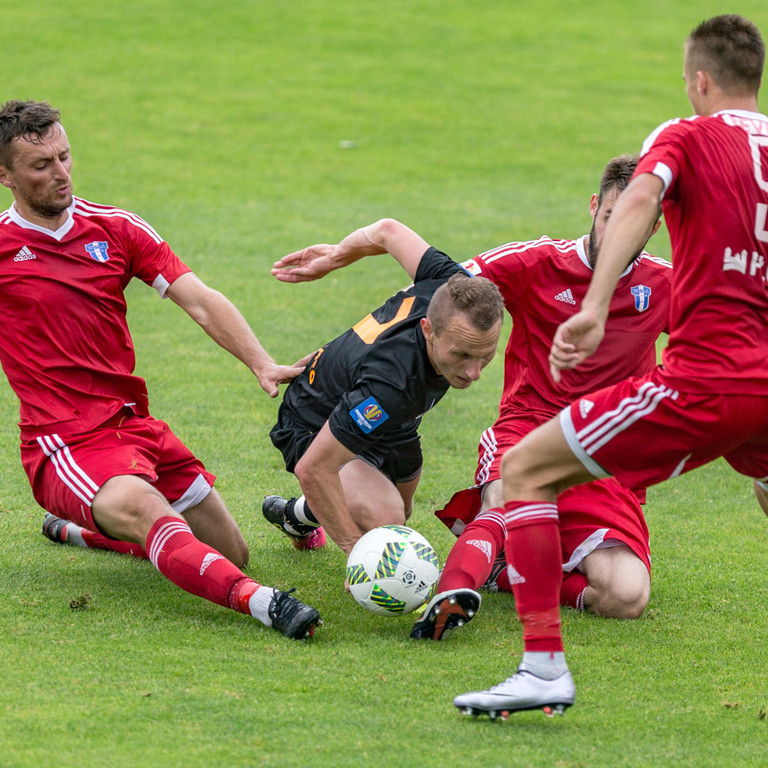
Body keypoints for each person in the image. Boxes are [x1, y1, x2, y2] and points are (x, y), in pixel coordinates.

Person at [454, 13, 768, 719]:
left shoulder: (684, 134)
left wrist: (595, 305)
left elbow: (644, 196)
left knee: (524, 469)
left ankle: (540, 668)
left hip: (706, 378)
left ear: (700, 80)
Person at [0, 100, 321, 639]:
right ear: (4, 175)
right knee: (157, 519)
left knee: (230, 553)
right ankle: (267, 606)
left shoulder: (115, 228)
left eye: (65, 156)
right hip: (67, 444)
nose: (60, 173)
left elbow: (199, 299)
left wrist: (260, 362)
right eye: (41, 165)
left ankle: (86, 533)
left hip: (136, 428)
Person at [409, 155, 670, 642]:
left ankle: (501, 570)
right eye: (612, 217)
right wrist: (359, 350)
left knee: (626, 596)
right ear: (595, 207)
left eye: (636, 223)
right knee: (505, 497)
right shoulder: (537, 262)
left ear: (654, 227)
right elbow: (446, 288)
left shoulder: (665, 286)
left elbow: (728, 346)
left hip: (604, 458)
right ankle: (448, 597)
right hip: (530, 426)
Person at [262, 219, 505, 559]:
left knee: (399, 510)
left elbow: (388, 230)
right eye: (462, 354)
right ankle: (325, 506)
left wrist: (335, 256)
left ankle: (296, 515)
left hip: (392, 421)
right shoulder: (391, 384)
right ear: (428, 330)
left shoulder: (453, 287)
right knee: (386, 521)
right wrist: (353, 551)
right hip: (314, 419)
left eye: (486, 355)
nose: (474, 372)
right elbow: (313, 468)